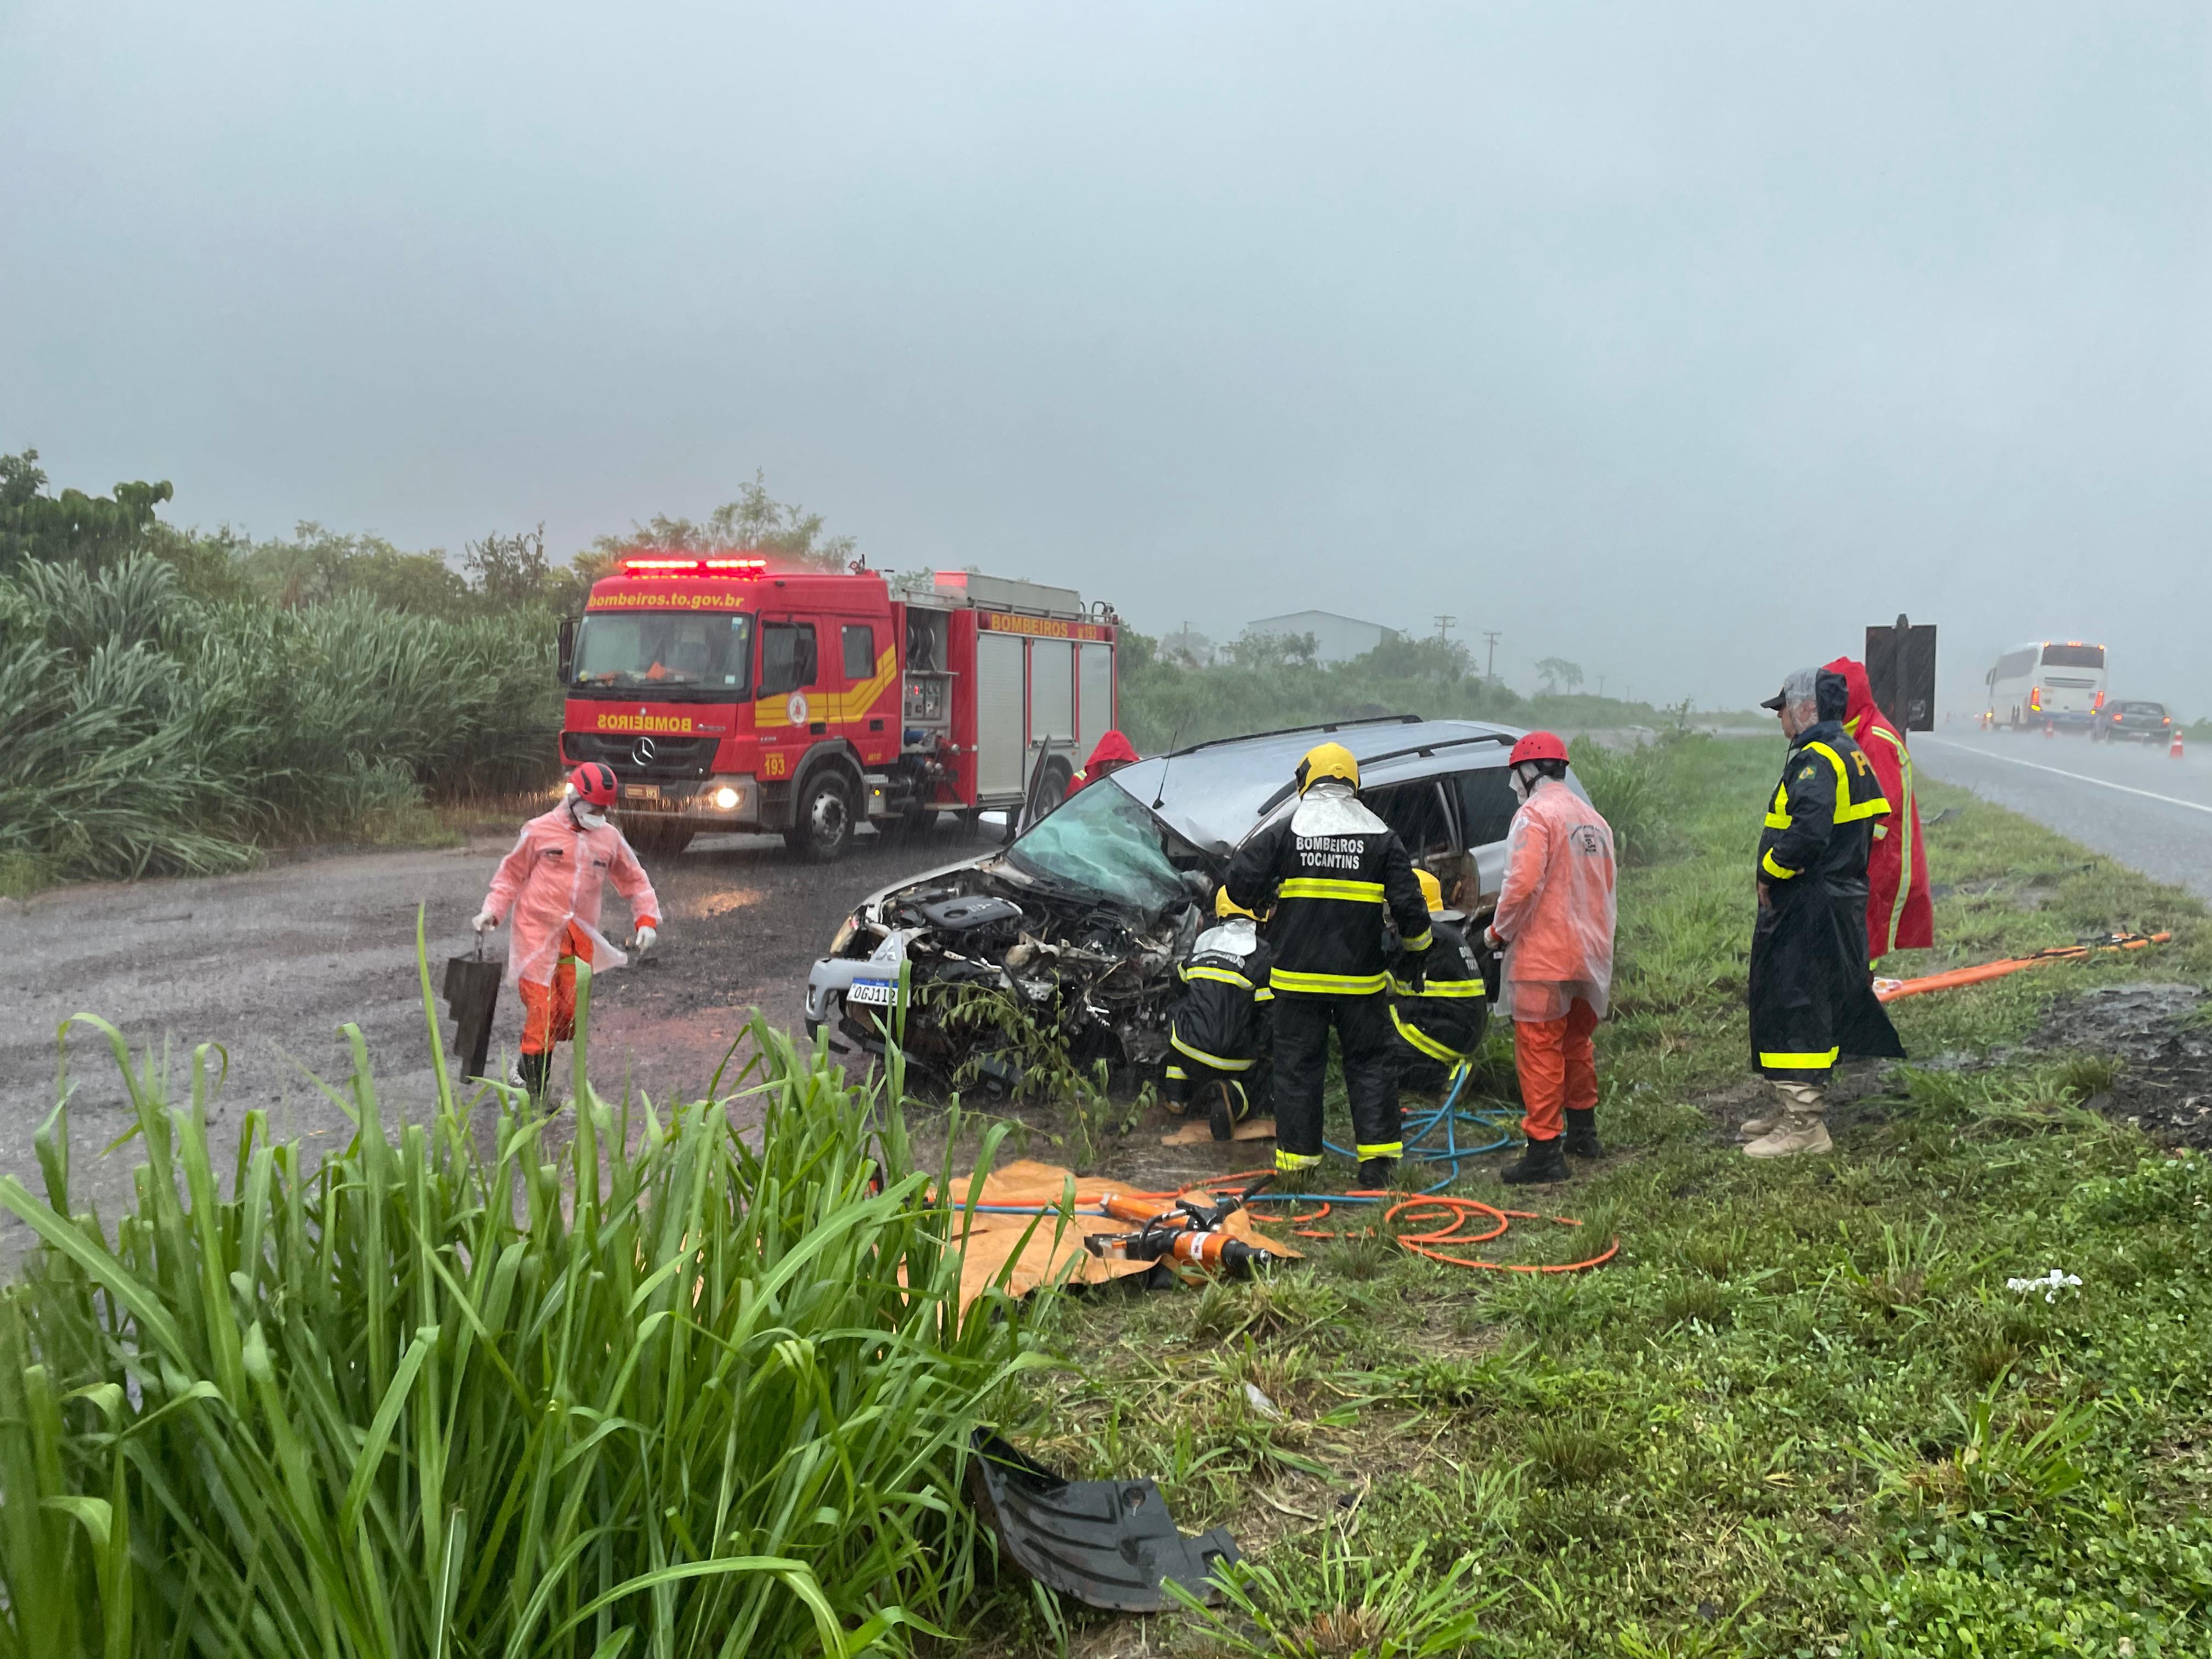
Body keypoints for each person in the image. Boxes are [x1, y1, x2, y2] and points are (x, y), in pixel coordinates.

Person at [1227, 741, 1432, 1187]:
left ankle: (1299, 1167)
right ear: (1353, 781)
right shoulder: (1382, 835)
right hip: (1360, 981)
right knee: (1370, 1063)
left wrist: (1262, 902)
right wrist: (1417, 954)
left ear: (1307, 779)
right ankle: (1377, 1166)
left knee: (1298, 1066)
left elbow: (1239, 878)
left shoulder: (1289, 829)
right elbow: (1411, 907)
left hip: (1297, 980)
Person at [1741, 668, 1905, 1157]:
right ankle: (1791, 1105)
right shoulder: (1850, 752)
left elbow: (1809, 831)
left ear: (1806, 708)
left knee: (1797, 1004)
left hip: (1809, 906)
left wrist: (1770, 871)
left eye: (1783, 709)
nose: (1780, 719)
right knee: (1811, 1001)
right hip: (1833, 902)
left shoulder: (1817, 759)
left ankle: (1804, 1125)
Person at [472, 763, 663, 1098]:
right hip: (536, 935)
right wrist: (492, 911)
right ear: (573, 797)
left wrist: (645, 920)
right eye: (593, 809)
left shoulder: (608, 839)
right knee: (543, 1012)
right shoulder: (539, 831)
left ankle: (525, 1065)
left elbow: (635, 879)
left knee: (569, 1016)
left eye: (604, 810)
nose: (598, 815)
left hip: (579, 938)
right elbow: (511, 875)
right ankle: (536, 1094)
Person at [1483, 732, 1617, 1184]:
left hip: (1544, 957)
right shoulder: (1593, 820)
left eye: (1515, 774)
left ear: (1529, 771)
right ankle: (1584, 1132)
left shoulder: (1534, 815)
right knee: (1577, 1044)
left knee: (1540, 1051)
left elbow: (1521, 885)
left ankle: (1544, 1152)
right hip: (1590, 955)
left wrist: (1497, 932)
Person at [1822, 656, 1934, 961]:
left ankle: (1861, 998)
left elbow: (1881, 812)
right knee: (1859, 935)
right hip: (1873, 856)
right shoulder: (1857, 733)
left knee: (1865, 935)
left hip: (1884, 857)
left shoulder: (1875, 740)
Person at [1165, 889, 1276, 1140]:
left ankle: (1177, 1095)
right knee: (1261, 1080)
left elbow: (1177, 985)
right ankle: (1231, 1094)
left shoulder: (1202, 942)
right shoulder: (1261, 951)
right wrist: (1264, 1048)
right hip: (1232, 1061)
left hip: (1188, 1051)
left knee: (1181, 1013)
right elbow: (1269, 1011)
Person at [1389, 868, 1491, 1093]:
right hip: (1460, 1027)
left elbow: (1387, 980)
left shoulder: (1425, 934)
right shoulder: (1448, 933)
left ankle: (1445, 1080)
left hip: (1444, 1026)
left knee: (1381, 1058)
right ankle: (1449, 1068)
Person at [1068, 730, 1139, 793]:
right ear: (1100, 761)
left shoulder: (1139, 784)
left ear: (1129, 762)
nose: (1113, 765)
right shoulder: (1080, 783)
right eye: (1108, 760)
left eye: (1119, 760)